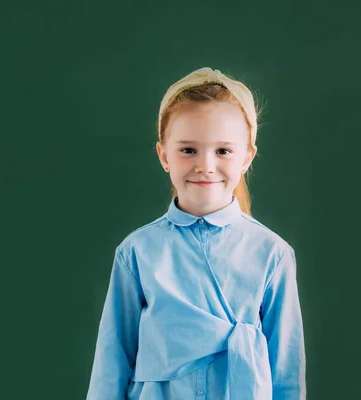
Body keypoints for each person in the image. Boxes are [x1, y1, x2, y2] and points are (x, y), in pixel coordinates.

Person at [86, 67, 306, 399]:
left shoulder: (272, 253)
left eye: (223, 150)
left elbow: (287, 373)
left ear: (247, 157)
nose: (205, 165)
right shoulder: (137, 252)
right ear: (164, 155)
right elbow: (111, 365)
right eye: (188, 150)